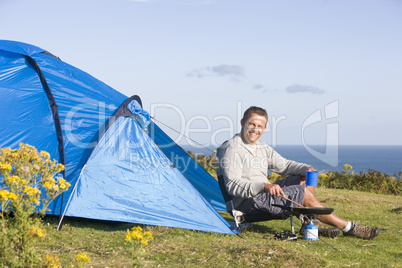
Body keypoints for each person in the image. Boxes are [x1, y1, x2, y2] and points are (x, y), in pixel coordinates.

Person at [216, 106, 380, 239]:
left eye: (260, 126)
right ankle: (349, 227)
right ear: (242, 122)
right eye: (252, 124)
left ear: (264, 128)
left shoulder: (261, 147)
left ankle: (309, 222)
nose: (255, 129)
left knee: (303, 178)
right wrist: (264, 185)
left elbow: (284, 165)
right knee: (301, 192)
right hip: (245, 204)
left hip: (260, 195)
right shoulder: (232, 148)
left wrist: (305, 168)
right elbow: (233, 186)